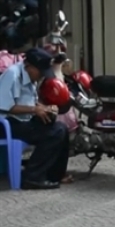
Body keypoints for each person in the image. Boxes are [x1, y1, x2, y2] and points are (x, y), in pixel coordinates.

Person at [0, 48, 71, 189]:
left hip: (23, 120)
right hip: (7, 124)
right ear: (29, 67)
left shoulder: (31, 77)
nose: (41, 77)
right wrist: (34, 109)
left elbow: (29, 102)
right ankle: (32, 177)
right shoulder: (12, 75)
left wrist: (46, 108)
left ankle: (54, 174)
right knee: (53, 134)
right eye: (40, 72)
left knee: (61, 128)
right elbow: (3, 106)